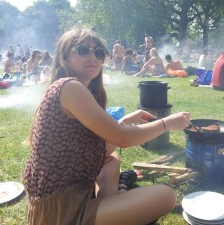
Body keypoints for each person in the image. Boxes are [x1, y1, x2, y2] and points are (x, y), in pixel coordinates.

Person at [23, 27, 191, 225]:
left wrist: (124, 121)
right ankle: (113, 207)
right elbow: (123, 139)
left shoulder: (74, 88)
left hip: (65, 199)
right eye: (83, 50)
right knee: (166, 196)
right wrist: (166, 123)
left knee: (112, 161)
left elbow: (100, 145)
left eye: (99, 52)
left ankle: (111, 208)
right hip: (60, 211)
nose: (93, 56)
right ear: (64, 57)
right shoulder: (70, 87)